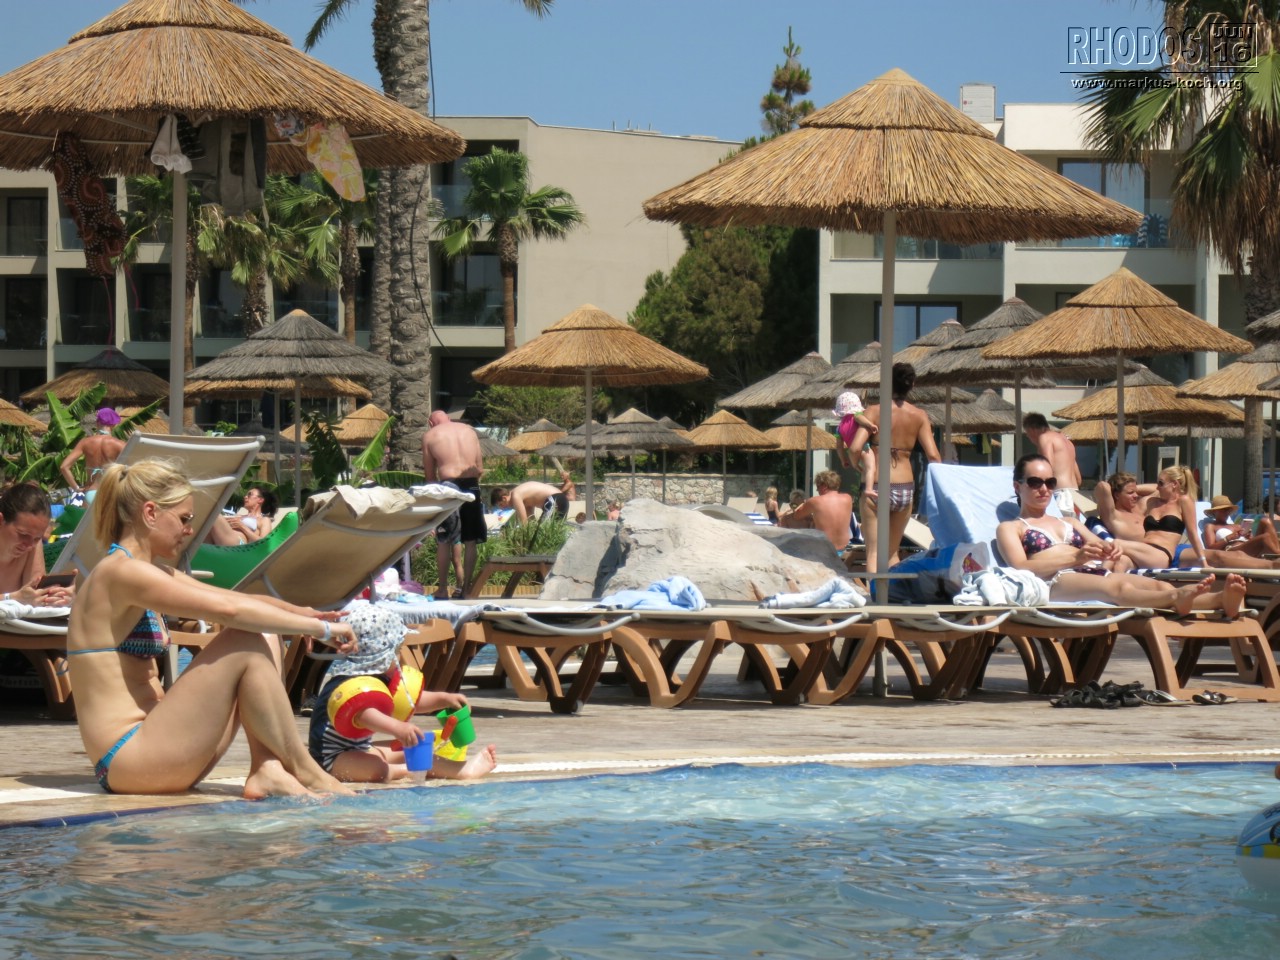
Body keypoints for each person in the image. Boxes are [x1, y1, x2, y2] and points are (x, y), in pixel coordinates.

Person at [66, 458, 358, 798]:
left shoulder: (148, 571)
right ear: (150, 513)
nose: (190, 531)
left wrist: (308, 616)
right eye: (184, 519)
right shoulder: (121, 573)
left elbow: (236, 598)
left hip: (161, 746)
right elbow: (230, 611)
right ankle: (304, 769)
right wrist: (321, 631)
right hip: (127, 758)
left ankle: (267, 767)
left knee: (264, 633)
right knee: (245, 636)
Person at [997, 453, 1244, 616]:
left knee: (1158, 584)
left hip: (1091, 573)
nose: (1044, 489)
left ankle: (1219, 600)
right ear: (1017, 486)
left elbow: (1102, 544)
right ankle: (1179, 597)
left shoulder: (1069, 521)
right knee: (1119, 586)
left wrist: (1111, 548)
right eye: (1035, 482)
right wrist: (1075, 558)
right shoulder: (1011, 527)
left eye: (1050, 483)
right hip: (1055, 580)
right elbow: (1020, 567)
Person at [307, 604, 497, 783]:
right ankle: (406, 771)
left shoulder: (381, 680)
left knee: (413, 749)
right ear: (380, 655)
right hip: (332, 760)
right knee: (378, 768)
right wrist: (398, 728)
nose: (399, 657)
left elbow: (410, 702)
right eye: (397, 650)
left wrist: (445, 699)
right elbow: (364, 715)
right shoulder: (348, 685)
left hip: (361, 750)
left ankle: (460, 770)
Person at [849, 362, 942, 573]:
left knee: (874, 552)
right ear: (912, 385)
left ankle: (874, 592)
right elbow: (934, 456)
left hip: (877, 485)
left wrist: (856, 466)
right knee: (892, 553)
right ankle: (893, 591)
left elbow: (855, 447)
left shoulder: (874, 411)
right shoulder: (919, 415)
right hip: (905, 488)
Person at [421, 410, 486, 600]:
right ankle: (466, 590)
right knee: (470, 541)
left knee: (444, 540)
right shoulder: (469, 431)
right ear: (449, 419)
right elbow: (479, 468)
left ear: (430, 423)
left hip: (448, 486)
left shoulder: (430, 435)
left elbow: (430, 477)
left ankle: (442, 589)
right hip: (471, 485)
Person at [0, 483, 72, 607]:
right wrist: (11, 598)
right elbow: (21, 598)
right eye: (22, 534)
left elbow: (35, 593)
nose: (29, 545)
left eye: (37, 538)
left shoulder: (32, 541)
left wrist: (60, 596)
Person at [1022, 413, 1083, 517]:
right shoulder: (1067, 442)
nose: (1028, 437)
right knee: (1073, 526)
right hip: (1075, 495)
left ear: (1031, 430)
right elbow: (1079, 479)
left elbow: (1047, 467)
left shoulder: (1044, 437)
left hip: (1061, 495)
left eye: (1027, 434)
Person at [779, 469, 855, 552]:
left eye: (818, 487)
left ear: (824, 486)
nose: (817, 490)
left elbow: (797, 516)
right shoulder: (848, 498)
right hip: (844, 550)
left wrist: (802, 504)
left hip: (825, 550)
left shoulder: (815, 501)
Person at [59, 408, 126, 501]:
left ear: (97, 422)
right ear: (113, 424)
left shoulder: (85, 442)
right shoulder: (120, 444)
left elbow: (64, 467)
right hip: (110, 493)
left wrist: (76, 488)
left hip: (91, 492)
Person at [206, 485, 279, 547]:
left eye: (250, 494)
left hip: (240, 545)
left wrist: (242, 527)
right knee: (206, 519)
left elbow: (264, 543)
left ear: (260, 500)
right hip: (221, 539)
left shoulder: (263, 520)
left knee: (213, 514)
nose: (245, 497)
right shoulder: (238, 516)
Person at [832, 390, 877, 479]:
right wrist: (870, 425)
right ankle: (869, 486)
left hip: (851, 453)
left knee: (863, 470)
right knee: (871, 469)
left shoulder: (839, 428)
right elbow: (859, 418)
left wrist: (843, 460)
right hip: (864, 447)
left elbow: (839, 447)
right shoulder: (856, 415)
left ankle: (855, 465)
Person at [495, 475, 574, 523]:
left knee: (543, 532)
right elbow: (531, 520)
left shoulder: (515, 496)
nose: (502, 508)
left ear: (504, 498)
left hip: (554, 499)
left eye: (501, 504)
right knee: (555, 533)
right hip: (561, 499)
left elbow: (524, 523)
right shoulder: (524, 498)